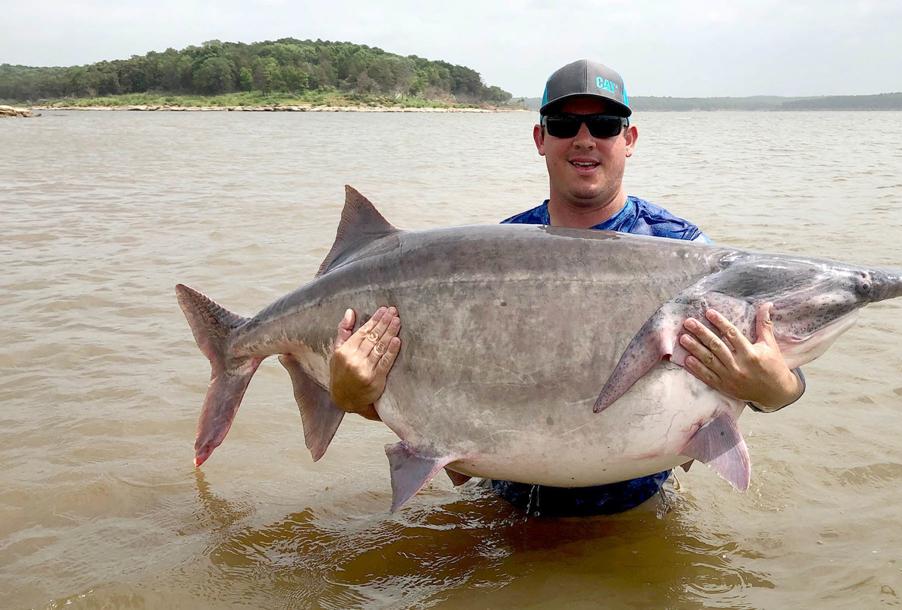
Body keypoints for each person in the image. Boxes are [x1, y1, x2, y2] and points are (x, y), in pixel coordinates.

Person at [328, 60, 805, 516]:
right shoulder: (494, 254)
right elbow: (443, 391)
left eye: (603, 124)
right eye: (563, 124)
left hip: (634, 513)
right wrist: (354, 399)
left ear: (629, 138)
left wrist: (779, 389)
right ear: (540, 138)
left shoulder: (681, 250)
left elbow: (774, 355)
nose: (584, 140)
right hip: (504, 509)